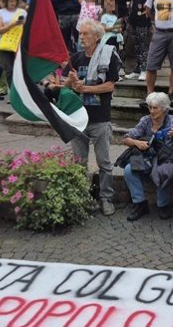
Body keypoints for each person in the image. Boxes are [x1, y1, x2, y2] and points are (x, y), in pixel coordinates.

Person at [60, 19, 121, 216]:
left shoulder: (107, 56)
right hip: (78, 118)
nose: (82, 37)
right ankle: (81, 197)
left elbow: (110, 86)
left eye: (86, 34)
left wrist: (85, 88)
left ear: (97, 37)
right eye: (80, 33)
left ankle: (106, 198)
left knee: (104, 162)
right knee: (79, 162)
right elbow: (65, 87)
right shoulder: (76, 58)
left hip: (100, 118)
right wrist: (70, 81)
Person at [121, 92, 173, 221]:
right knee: (128, 170)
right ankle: (140, 203)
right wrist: (137, 143)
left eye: (155, 108)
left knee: (163, 170)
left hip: (168, 158)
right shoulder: (145, 121)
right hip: (148, 158)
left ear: (164, 108)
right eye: (150, 107)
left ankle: (163, 205)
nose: (152, 111)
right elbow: (126, 139)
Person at [0, 0, 27, 96]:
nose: (13, 3)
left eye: (14, 1)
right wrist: (13, 24)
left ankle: (22, 93)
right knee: (9, 69)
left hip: (19, 43)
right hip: (6, 44)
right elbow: (0, 30)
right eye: (10, 1)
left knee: (20, 69)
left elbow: (27, 28)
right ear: (6, 1)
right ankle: (13, 93)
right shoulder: (0, 13)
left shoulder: (22, 12)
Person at [124, 0, 152, 81]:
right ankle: (137, 70)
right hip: (133, 24)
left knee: (143, 47)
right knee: (136, 48)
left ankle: (144, 70)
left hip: (143, 24)